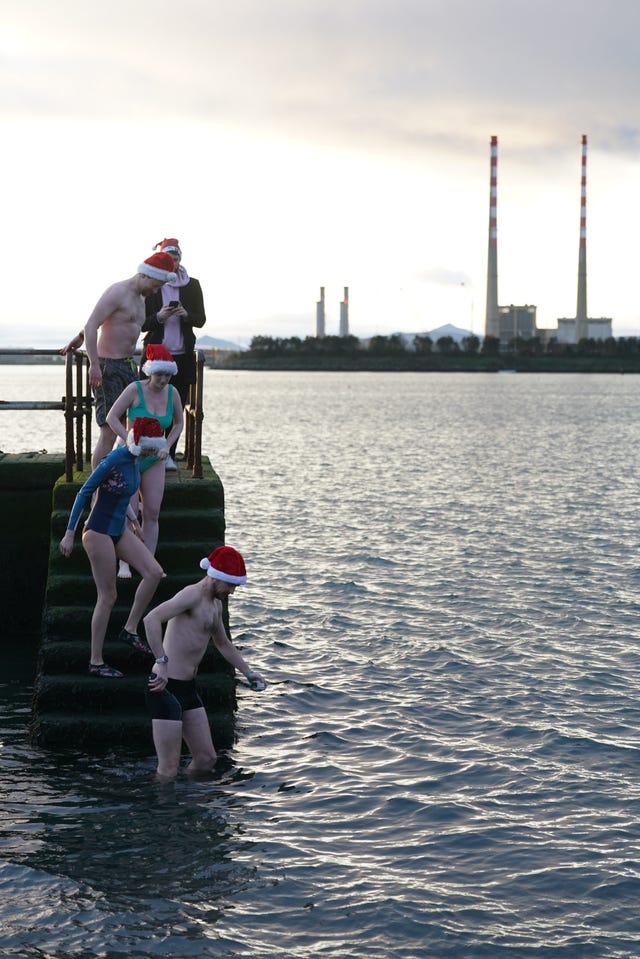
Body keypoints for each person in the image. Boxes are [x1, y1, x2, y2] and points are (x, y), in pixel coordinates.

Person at [143, 546, 267, 780]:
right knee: (168, 768)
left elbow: (223, 644)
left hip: (188, 689)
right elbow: (151, 619)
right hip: (165, 687)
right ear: (217, 576)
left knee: (206, 759)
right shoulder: (191, 595)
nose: (232, 591)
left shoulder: (215, 605)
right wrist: (161, 661)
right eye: (231, 585)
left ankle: (191, 807)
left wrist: (248, 672)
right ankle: (162, 813)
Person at [58, 417, 167, 679]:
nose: (154, 454)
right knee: (108, 597)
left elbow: (120, 494)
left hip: (119, 529)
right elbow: (84, 493)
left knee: (154, 572)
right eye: (151, 448)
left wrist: (135, 523)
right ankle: (96, 661)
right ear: (140, 444)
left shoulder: (135, 460)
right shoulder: (114, 460)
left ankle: (129, 629)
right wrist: (69, 533)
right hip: (97, 532)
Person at [60, 252, 178, 468]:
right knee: (109, 432)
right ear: (145, 275)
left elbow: (123, 324)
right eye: (156, 284)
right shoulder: (118, 292)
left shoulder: (141, 299)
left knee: (130, 428)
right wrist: (94, 365)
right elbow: (92, 323)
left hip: (128, 365)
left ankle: (121, 485)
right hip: (107, 367)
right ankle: (96, 492)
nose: (156, 290)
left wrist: (78, 338)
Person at [106, 343, 184, 579]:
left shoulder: (173, 393)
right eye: (160, 374)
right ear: (150, 371)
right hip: (130, 457)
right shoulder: (134, 389)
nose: (163, 379)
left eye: (168, 375)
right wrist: (128, 440)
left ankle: (149, 564)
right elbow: (112, 417)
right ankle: (125, 564)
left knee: (151, 512)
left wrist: (167, 446)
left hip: (155, 457)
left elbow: (179, 423)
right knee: (128, 511)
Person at [140, 238, 206, 468]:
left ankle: (168, 453)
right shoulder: (151, 285)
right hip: (155, 354)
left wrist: (186, 314)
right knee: (150, 406)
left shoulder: (192, 285)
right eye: (168, 259)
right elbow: (141, 324)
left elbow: (201, 320)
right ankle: (147, 450)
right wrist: (159, 317)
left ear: (180, 260)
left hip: (183, 356)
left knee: (176, 408)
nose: (173, 263)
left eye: (176, 259)